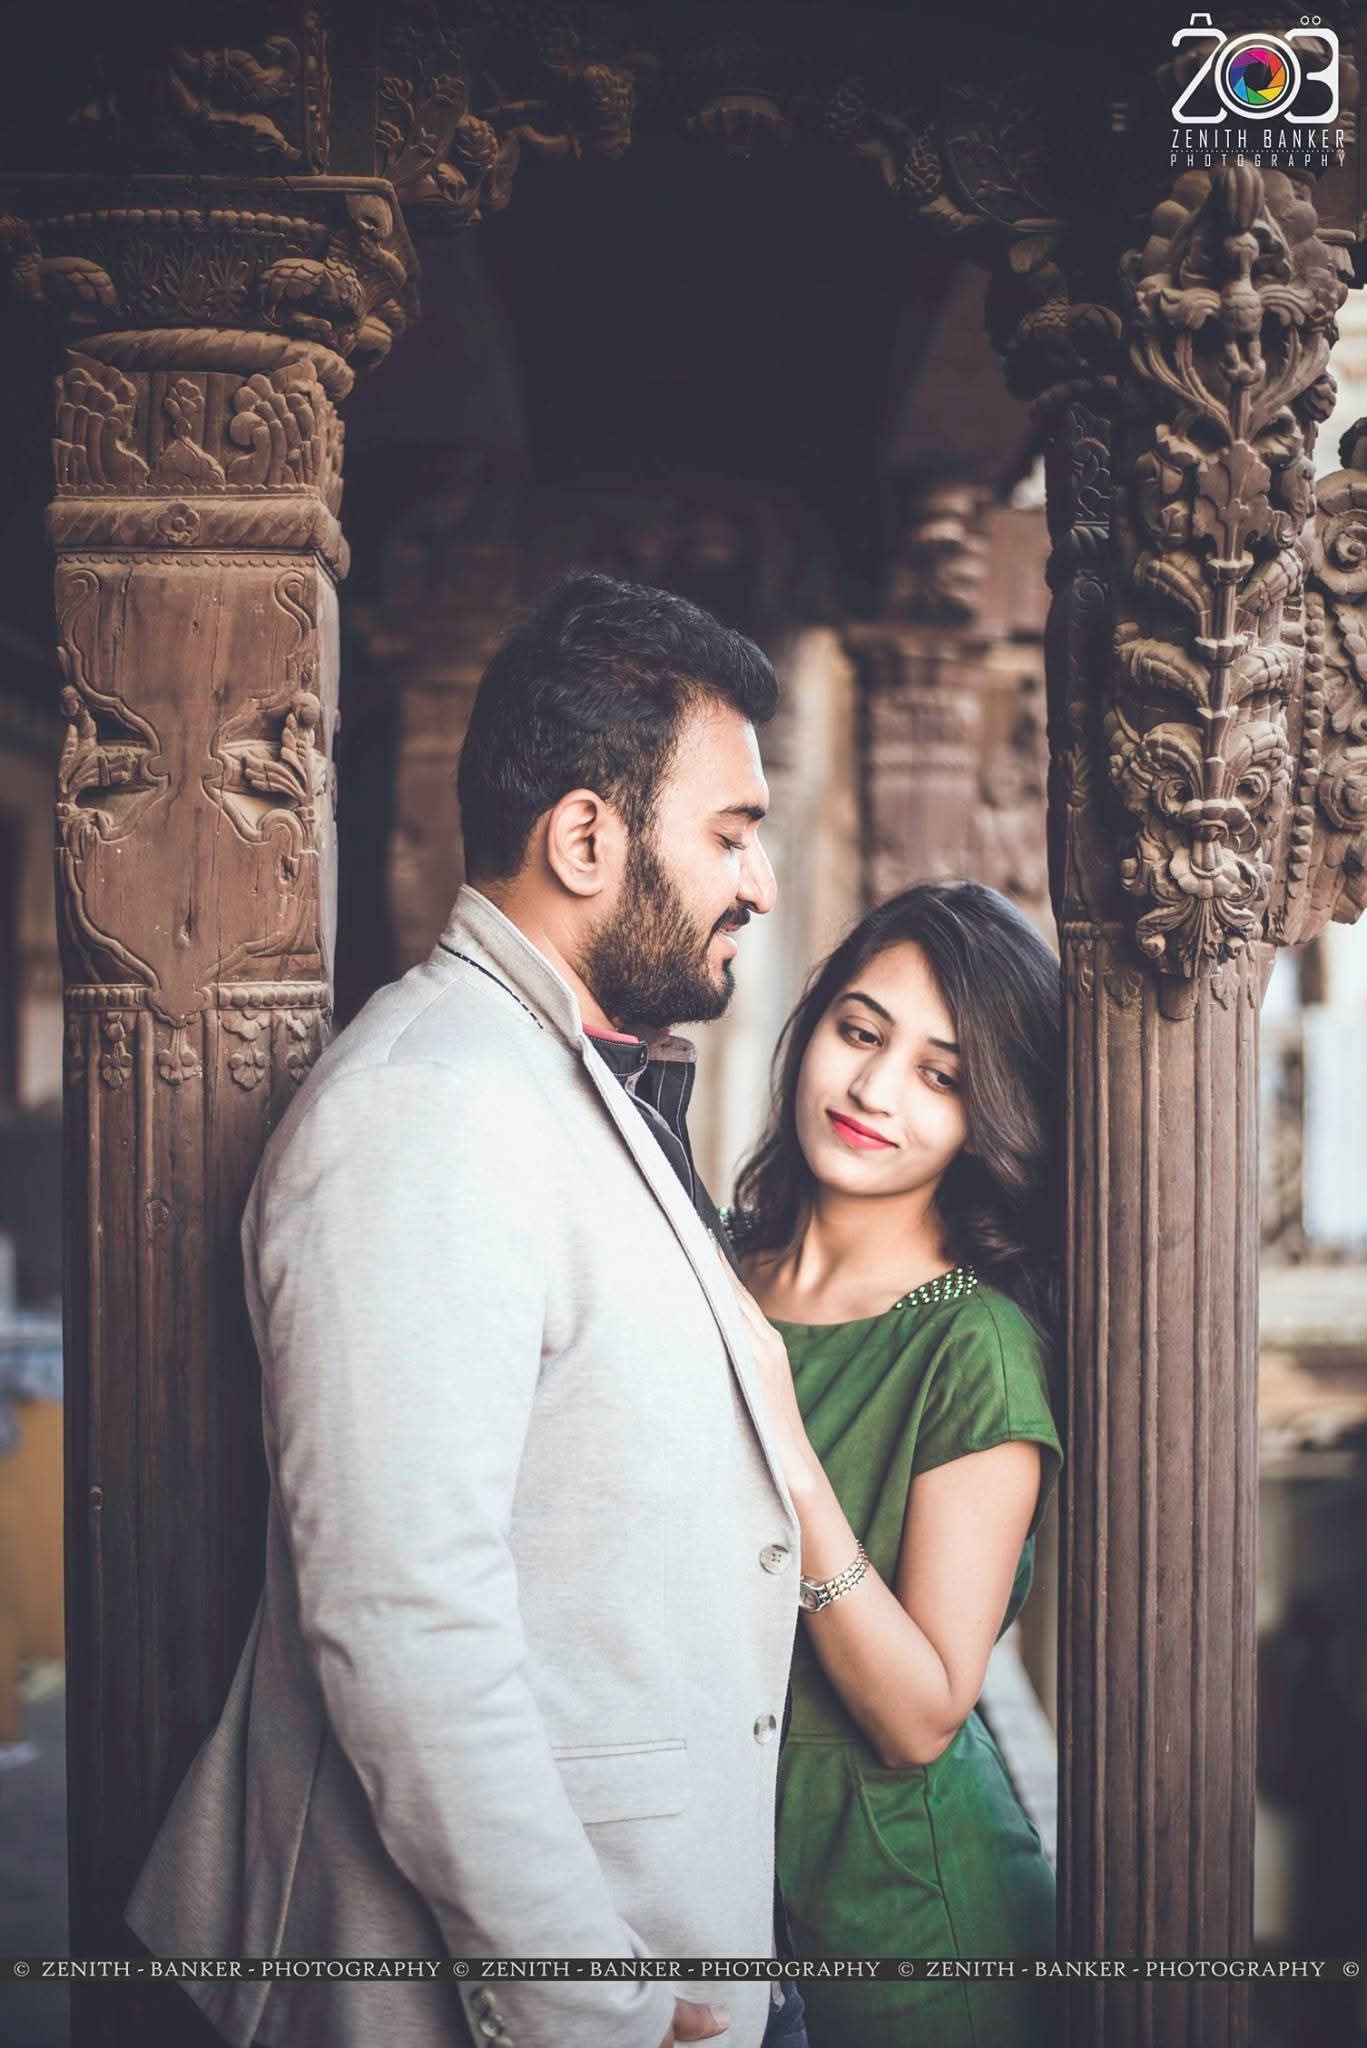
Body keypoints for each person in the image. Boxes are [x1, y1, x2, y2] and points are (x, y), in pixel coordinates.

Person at [125, 573, 807, 2048]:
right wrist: (585, 2005)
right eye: (731, 834)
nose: (757, 883)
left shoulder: (543, 1066)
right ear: (583, 836)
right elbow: (401, 1615)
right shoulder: (428, 1107)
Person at [718, 880, 1065, 2047]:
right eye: (859, 1032)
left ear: (988, 1114)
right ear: (811, 1024)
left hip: (917, 1937)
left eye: (940, 1072)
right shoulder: (714, 1264)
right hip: (708, 1903)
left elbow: (921, 1714)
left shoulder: (975, 1342)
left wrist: (794, 1466)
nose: (872, 1089)